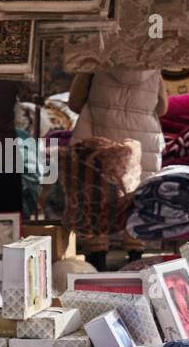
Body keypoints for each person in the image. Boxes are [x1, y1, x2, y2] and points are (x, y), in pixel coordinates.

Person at [69, 68, 168, 269]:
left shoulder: (96, 62)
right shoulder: (152, 65)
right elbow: (162, 108)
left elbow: (75, 102)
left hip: (100, 136)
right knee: (137, 196)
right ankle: (135, 257)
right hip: (141, 141)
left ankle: (97, 261)